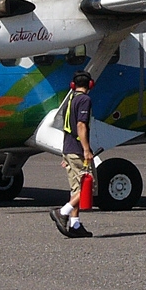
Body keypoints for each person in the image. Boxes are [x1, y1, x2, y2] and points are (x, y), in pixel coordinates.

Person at [50, 70, 94, 238]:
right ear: (90, 85)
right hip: (77, 150)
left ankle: (75, 224)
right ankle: (62, 212)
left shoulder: (70, 100)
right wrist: (86, 149)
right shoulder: (85, 100)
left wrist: (64, 154)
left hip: (68, 149)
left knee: (76, 188)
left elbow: (66, 126)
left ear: (73, 85)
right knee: (88, 187)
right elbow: (81, 125)